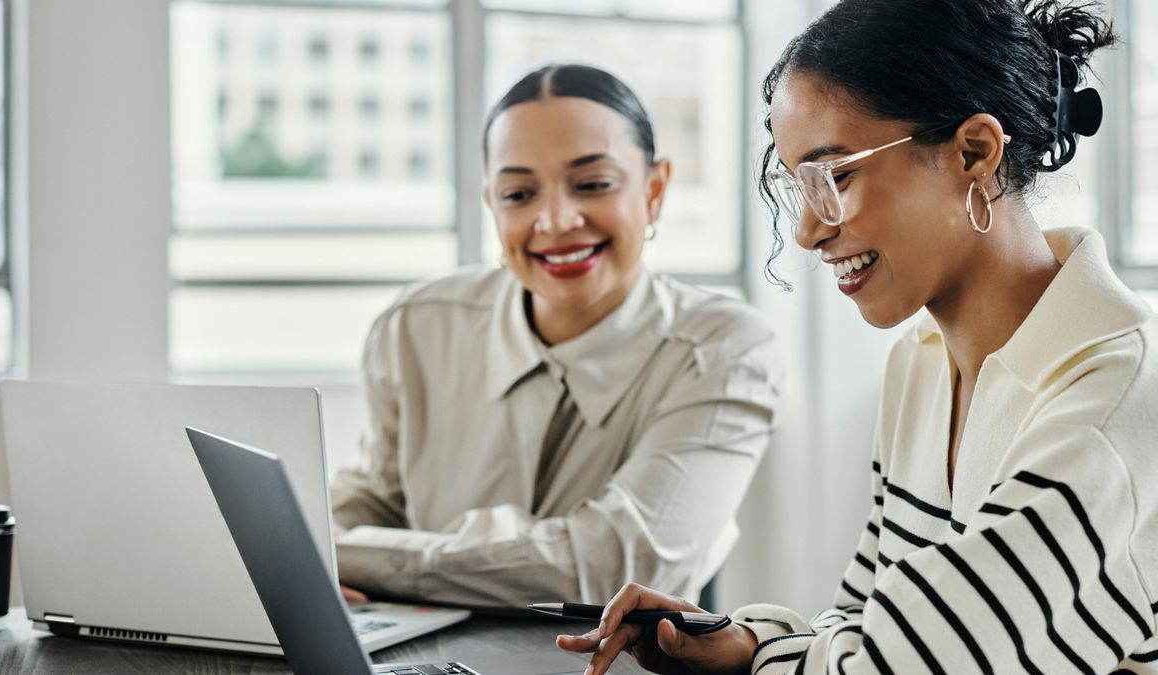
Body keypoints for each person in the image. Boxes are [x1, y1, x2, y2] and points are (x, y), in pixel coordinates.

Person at [559, 1, 1158, 673]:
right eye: (798, 187)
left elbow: (909, 662)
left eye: (835, 177)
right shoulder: (921, 364)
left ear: (975, 152)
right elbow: (864, 615)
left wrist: (769, 661)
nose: (809, 232)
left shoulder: (1119, 398)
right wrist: (744, 642)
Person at [329, 64, 783, 607]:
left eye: (592, 185)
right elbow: (372, 501)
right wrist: (313, 549)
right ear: (491, 206)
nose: (556, 221)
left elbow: (617, 570)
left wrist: (355, 556)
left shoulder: (725, 349)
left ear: (655, 189)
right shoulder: (416, 326)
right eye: (519, 194)